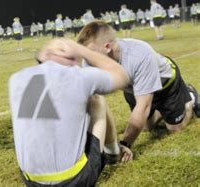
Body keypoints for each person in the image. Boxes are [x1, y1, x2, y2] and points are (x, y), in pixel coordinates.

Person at [10, 38, 133, 187]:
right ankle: (113, 153)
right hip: (75, 180)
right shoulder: (79, 76)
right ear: (72, 57)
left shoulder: (16, 78)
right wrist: (82, 50)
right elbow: (121, 76)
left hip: (31, 181)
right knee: (96, 99)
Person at [77, 21, 200, 151]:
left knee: (175, 129)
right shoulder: (89, 60)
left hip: (165, 85)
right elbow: (88, 100)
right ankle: (161, 111)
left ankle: (190, 98)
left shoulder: (139, 55)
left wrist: (125, 144)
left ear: (107, 47)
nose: (86, 58)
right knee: (146, 127)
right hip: (134, 87)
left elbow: (143, 106)